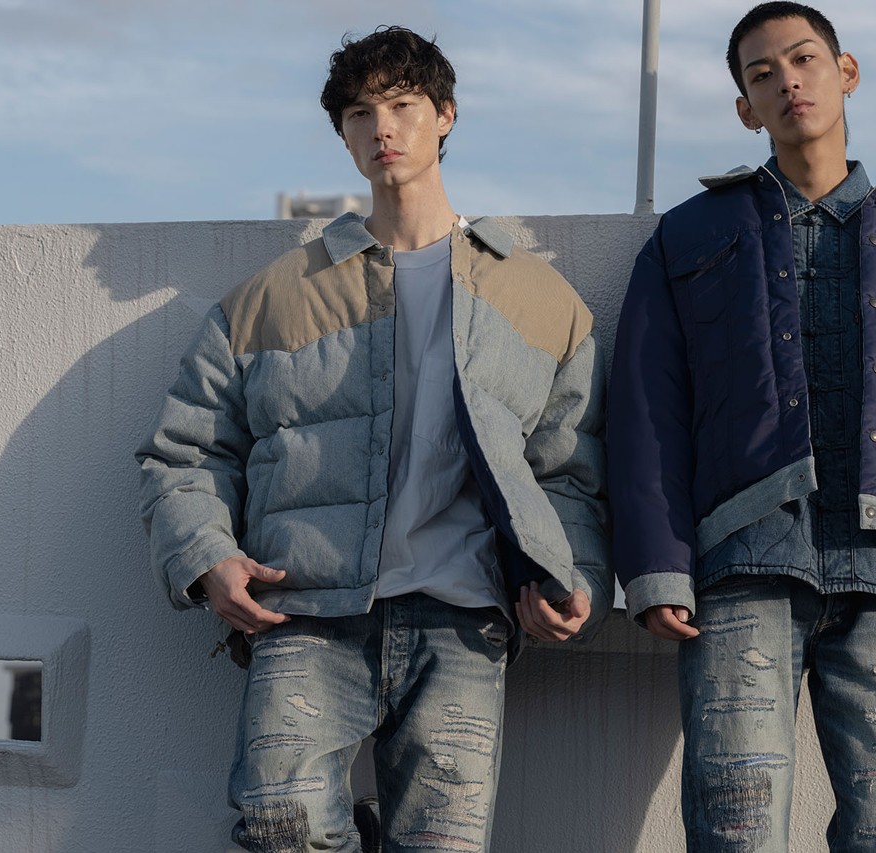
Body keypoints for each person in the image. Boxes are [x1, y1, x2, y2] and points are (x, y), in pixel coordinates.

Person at [137, 26, 610, 853]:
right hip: (306, 607)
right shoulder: (273, 297)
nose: (381, 127)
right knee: (279, 825)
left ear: (446, 116)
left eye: (401, 104)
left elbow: (567, 469)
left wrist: (573, 578)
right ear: (344, 133)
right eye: (360, 112)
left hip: (463, 613)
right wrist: (207, 556)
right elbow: (185, 450)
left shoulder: (539, 300)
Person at [607, 3, 876, 849]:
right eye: (762, 74)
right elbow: (646, 408)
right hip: (740, 566)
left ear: (846, 72)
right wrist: (656, 567)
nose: (787, 82)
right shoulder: (689, 237)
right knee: (737, 830)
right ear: (745, 108)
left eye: (803, 60)